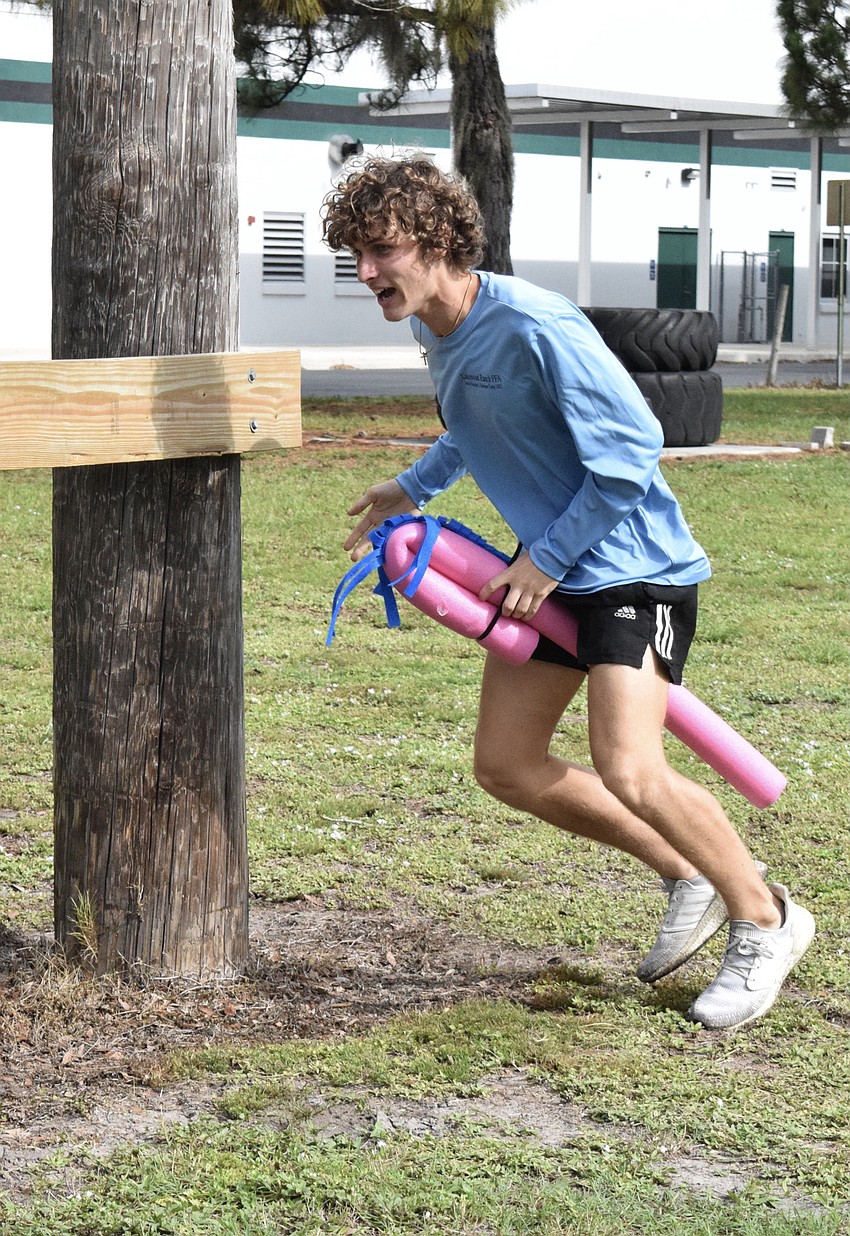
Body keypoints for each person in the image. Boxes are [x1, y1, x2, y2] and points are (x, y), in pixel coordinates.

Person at [320, 153, 815, 1030]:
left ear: (437, 241)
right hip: (551, 564)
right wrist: (413, 485)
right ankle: (687, 870)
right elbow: (479, 425)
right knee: (507, 765)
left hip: (631, 568)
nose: (365, 274)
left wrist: (543, 561)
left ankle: (765, 918)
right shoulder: (436, 327)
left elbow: (632, 454)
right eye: (354, 254)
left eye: (381, 250)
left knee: (630, 764)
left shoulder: (537, 324)